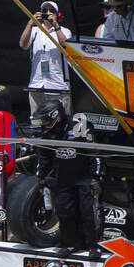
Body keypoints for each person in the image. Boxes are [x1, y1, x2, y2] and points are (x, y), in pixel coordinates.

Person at [33, 100, 102, 255]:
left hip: (85, 175)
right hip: (64, 176)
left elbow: (95, 151)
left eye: (45, 119)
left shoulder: (79, 124)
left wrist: (96, 176)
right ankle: (69, 243)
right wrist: (41, 177)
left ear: (56, 116)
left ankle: (93, 245)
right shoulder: (48, 133)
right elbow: (43, 156)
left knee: (88, 211)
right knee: (64, 210)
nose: (43, 124)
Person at [21, 1, 72, 115]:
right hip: (37, 84)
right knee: (37, 120)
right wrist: (30, 24)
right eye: (45, 11)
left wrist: (55, 25)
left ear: (57, 14)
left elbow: (65, 46)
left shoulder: (64, 31)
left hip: (58, 84)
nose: (48, 13)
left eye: (51, 11)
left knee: (61, 120)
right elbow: (23, 45)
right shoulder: (34, 31)